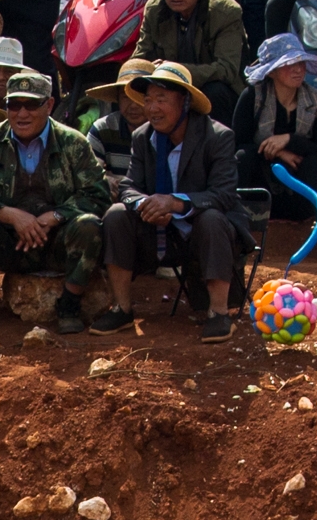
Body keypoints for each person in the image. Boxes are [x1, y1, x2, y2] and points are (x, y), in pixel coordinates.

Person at [0, 71, 106, 340]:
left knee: (89, 225)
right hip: (7, 241)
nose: (22, 113)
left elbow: (98, 196)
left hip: (56, 240)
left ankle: (69, 305)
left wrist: (55, 216)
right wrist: (9, 215)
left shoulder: (73, 142)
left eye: (31, 105)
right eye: (13, 105)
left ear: (50, 105)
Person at [101, 59, 245, 340]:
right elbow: (129, 187)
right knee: (116, 214)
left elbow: (224, 194)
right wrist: (144, 204)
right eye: (148, 100)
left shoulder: (217, 137)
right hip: (156, 233)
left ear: (185, 103)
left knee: (213, 218)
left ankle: (218, 313)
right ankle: (121, 308)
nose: (152, 108)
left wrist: (176, 203)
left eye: (161, 99)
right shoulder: (144, 137)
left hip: (202, 235)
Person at [231, 33, 317, 224]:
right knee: (243, 156)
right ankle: (232, 219)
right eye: (289, 65)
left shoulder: (316, 100)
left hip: (299, 190)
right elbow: (238, 143)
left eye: (301, 63)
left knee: (314, 162)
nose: (298, 70)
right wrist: (278, 153)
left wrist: (290, 140)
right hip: (261, 188)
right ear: (271, 72)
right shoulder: (252, 97)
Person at [133, 0, 245, 118]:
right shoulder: (155, 10)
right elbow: (140, 57)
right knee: (130, 89)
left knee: (215, 92)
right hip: (167, 85)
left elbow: (227, 70)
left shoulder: (225, 11)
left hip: (211, 87)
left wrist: (174, 72)